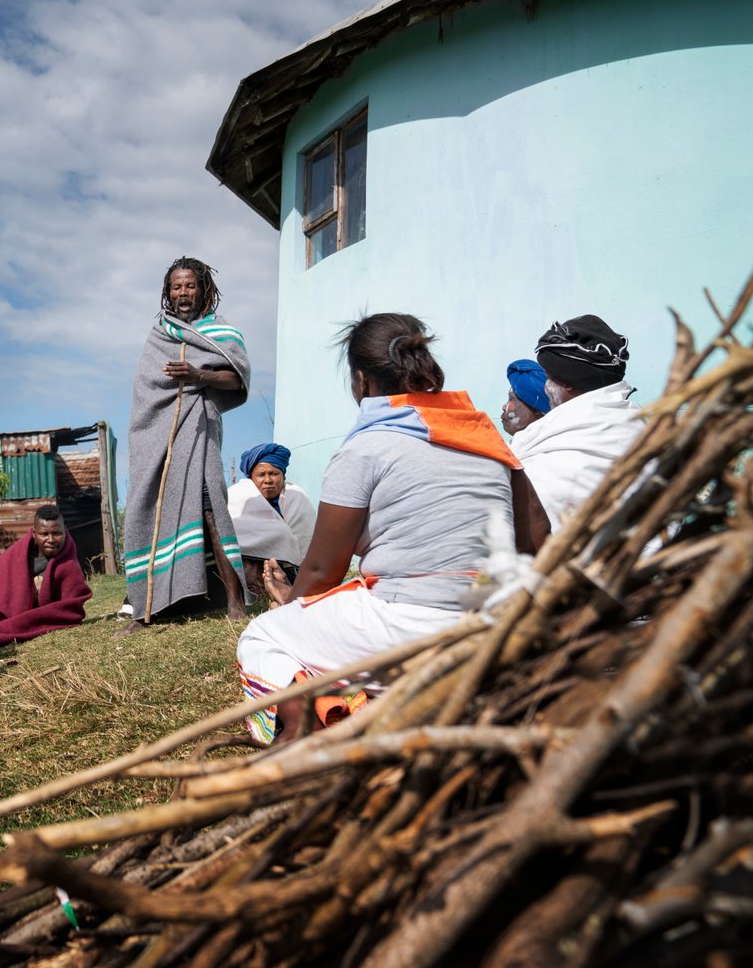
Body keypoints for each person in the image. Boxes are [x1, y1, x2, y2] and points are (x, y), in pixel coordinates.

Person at [236, 313, 547, 746]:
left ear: (361, 382)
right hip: (496, 627)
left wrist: (292, 606)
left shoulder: (365, 448)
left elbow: (325, 568)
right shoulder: (486, 437)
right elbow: (537, 537)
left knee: (264, 633)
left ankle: (301, 727)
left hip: (409, 629)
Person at [121, 257, 252, 635]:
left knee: (210, 506)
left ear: (203, 288)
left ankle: (234, 602)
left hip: (198, 427)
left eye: (190, 286)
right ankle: (144, 612)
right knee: (149, 510)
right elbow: (145, 390)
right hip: (158, 434)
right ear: (168, 291)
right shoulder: (160, 333)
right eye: (176, 287)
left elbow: (237, 377)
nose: (183, 293)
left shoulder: (220, 331)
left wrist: (199, 375)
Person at [512, 315, 646, 533]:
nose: (545, 387)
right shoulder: (638, 425)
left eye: (548, 377)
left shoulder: (551, 455)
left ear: (566, 383)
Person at [0, 504, 91, 645]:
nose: (51, 540)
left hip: (32, 619)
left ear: (65, 531)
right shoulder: (19, 553)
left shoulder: (69, 564)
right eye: (44, 534)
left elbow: (71, 609)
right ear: (34, 533)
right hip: (0, 614)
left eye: (57, 533)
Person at [226, 442, 316, 582]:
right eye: (261, 475)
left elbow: (306, 542)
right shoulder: (237, 497)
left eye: (274, 474)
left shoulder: (296, 497)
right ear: (251, 478)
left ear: (284, 477)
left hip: (294, 574)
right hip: (240, 572)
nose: (267, 480)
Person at [500, 359, 551, 436]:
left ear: (536, 409)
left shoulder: (550, 446)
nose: (504, 407)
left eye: (512, 399)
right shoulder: (516, 445)